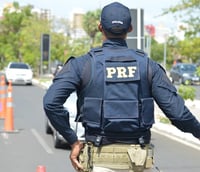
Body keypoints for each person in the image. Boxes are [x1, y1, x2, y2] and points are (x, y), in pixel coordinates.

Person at [43, 2, 200, 172]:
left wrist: (72, 140)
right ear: (130, 28)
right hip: (138, 163)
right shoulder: (148, 66)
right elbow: (178, 114)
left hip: (98, 162)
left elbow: (51, 103)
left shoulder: (82, 65)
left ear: (100, 27)